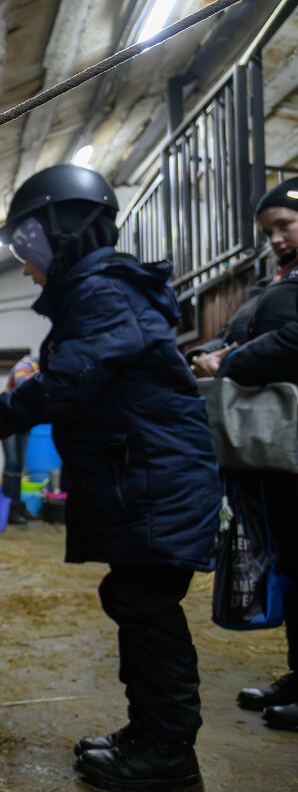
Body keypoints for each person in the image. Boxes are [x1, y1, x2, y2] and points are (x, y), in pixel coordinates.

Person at [0, 165, 220, 791]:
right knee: (137, 605)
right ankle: (150, 734)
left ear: (65, 232)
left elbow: (67, 384)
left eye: (29, 246)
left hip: (154, 484)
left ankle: (168, 757)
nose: (26, 264)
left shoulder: (103, 292)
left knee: (146, 611)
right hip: (144, 480)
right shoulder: (99, 293)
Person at [188, 175, 298, 732]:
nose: (276, 237)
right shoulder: (271, 281)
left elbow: (291, 343)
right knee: (290, 560)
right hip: (274, 448)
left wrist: (228, 363)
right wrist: (209, 351)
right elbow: (235, 332)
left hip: (292, 435)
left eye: (285, 225)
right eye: (268, 230)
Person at [0, 353, 39, 524]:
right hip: (8, 418)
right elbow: (24, 389)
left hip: (23, 420)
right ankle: (9, 509)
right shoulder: (26, 364)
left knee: (19, 466)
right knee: (12, 464)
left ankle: (18, 505)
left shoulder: (41, 369)